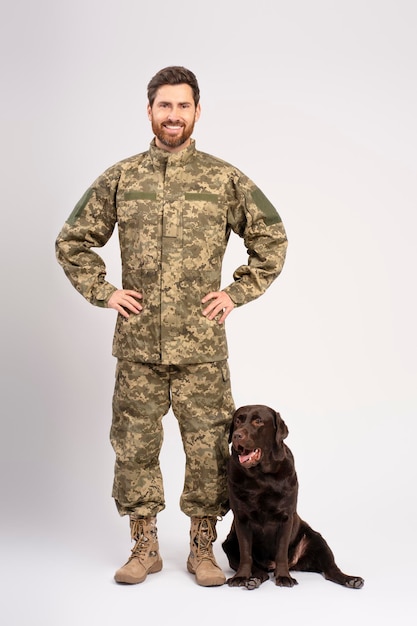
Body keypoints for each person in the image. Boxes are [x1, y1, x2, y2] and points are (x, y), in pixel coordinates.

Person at [55, 66, 288, 587]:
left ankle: (202, 550)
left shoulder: (224, 178)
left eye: (183, 106)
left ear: (197, 111)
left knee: (208, 447)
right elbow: (72, 241)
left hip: (201, 346)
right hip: (138, 345)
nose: (174, 115)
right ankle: (144, 547)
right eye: (165, 106)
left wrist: (236, 292)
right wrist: (105, 291)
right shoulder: (122, 178)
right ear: (150, 111)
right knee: (134, 446)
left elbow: (272, 238)